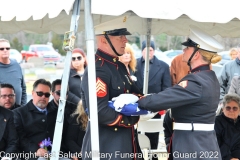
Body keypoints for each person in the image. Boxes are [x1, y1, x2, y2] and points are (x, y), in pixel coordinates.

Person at [136, 26, 223, 160]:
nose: (183, 50)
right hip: (201, 142)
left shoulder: (196, 81)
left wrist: (139, 101)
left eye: (187, 47)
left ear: (197, 54)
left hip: (193, 145)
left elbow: (161, 100)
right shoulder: (209, 77)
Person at [81, 28, 143, 160]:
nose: (125, 40)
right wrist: (130, 120)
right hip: (107, 144)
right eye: (120, 37)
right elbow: (100, 111)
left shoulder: (118, 66)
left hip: (124, 141)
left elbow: (135, 93)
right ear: (104, 39)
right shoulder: (98, 68)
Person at [134, 40, 171, 157]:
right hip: (136, 107)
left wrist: (162, 105)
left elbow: (166, 88)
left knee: (153, 138)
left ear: (154, 51)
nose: (148, 52)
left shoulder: (163, 66)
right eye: (146, 49)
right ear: (142, 51)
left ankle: (153, 157)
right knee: (137, 137)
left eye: (150, 50)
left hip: (155, 108)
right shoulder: (134, 64)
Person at [13, 79, 58, 160]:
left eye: (47, 95)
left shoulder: (56, 111)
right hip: (32, 155)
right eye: (40, 93)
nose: (43, 97)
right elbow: (20, 138)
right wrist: (35, 150)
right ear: (33, 93)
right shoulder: (19, 113)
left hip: (57, 153)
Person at [0, 39, 27, 106]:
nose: (5, 50)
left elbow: (23, 88)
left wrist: (23, 107)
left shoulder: (16, 65)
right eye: (2, 49)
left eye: (7, 48)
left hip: (18, 111)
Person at [214, 93, 240, 160]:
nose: (231, 111)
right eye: (228, 108)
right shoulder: (217, 122)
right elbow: (215, 143)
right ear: (223, 109)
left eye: (235, 108)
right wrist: (229, 158)